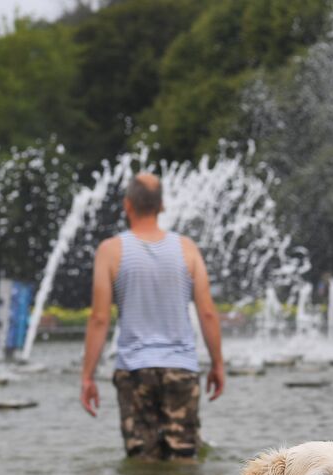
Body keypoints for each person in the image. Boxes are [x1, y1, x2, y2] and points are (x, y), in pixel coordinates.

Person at [79, 172, 226, 460]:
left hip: (134, 371)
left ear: (127, 205)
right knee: (184, 458)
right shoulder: (187, 249)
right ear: (162, 206)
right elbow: (207, 313)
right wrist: (218, 364)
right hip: (180, 368)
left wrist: (87, 377)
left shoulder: (110, 251)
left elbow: (99, 319)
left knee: (141, 461)